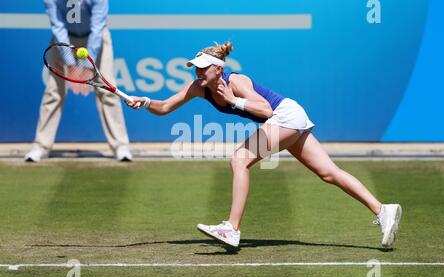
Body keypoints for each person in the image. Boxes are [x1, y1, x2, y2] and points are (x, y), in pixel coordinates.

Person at [127, 42, 402, 249]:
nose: (197, 71)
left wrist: (233, 101)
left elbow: (266, 110)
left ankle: (232, 229)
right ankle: (383, 210)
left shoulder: (236, 80)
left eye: (202, 67)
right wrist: (146, 102)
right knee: (328, 173)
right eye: (196, 67)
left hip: (286, 115)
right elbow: (164, 107)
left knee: (239, 159)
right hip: (288, 119)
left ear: (218, 69)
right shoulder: (198, 88)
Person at [25, 0, 132, 162]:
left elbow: (97, 28)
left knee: (108, 91)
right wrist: (72, 65)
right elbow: (58, 26)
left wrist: (88, 66)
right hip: (63, 39)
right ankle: (40, 146)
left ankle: (120, 146)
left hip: (96, 37)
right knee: (53, 92)